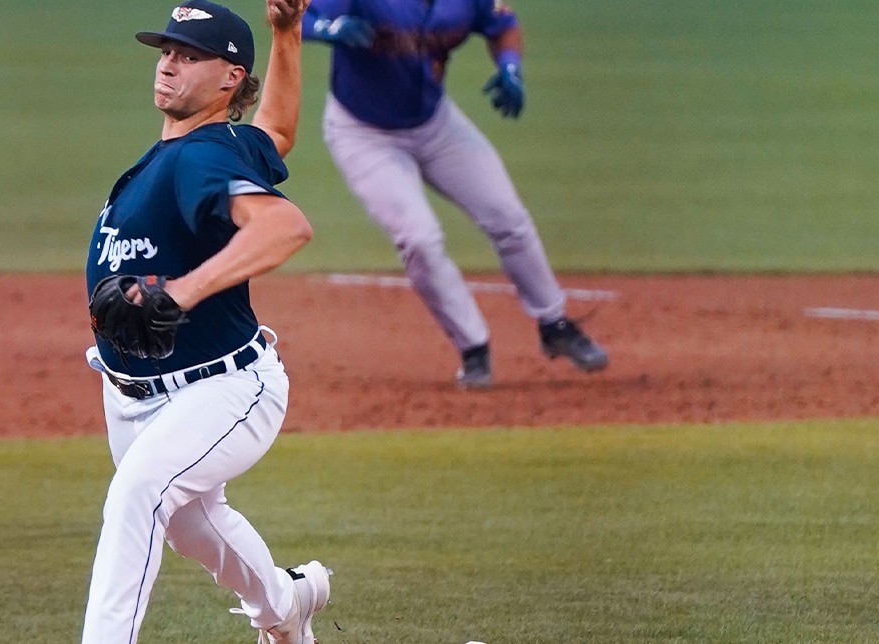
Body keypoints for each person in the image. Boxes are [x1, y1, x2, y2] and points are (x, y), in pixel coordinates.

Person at [78, 1, 330, 642]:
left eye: (189, 56)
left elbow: (285, 225)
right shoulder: (219, 146)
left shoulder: (200, 159)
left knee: (138, 495)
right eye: (166, 52)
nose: (168, 65)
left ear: (229, 79)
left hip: (223, 388)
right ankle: (284, 607)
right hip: (135, 397)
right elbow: (275, 133)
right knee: (195, 524)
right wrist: (287, 33)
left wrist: (182, 292)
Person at [303, 0, 610, 389]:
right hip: (363, 134)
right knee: (420, 239)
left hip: (437, 124)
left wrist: (510, 67)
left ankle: (555, 324)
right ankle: (474, 348)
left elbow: (503, 26)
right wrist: (328, 30)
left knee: (508, 217)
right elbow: (291, 17)